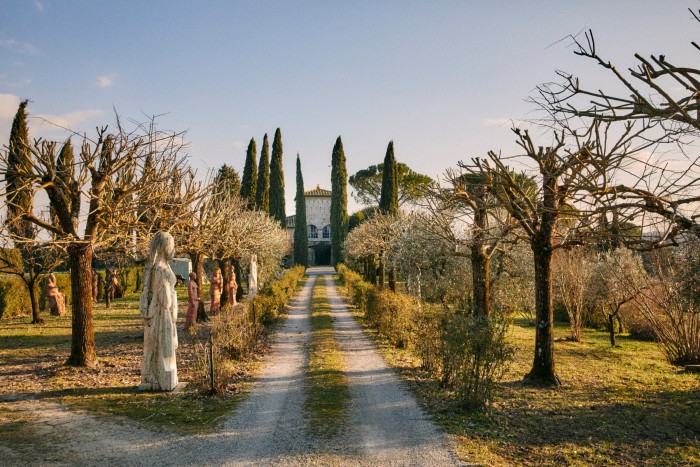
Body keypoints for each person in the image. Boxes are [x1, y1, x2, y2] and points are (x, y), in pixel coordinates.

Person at [138, 231, 179, 391]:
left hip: (162, 313)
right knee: (163, 350)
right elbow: (166, 300)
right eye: (172, 246)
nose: (174, 250)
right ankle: (158, 379)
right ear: (163, 247)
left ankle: (158, 377)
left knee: (163, 350)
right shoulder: (161, 270)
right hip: (162, 314)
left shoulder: (159, 267)